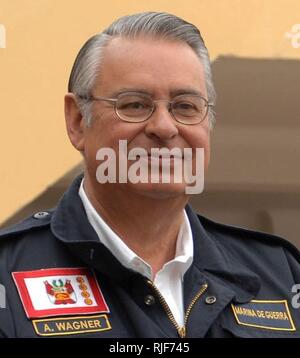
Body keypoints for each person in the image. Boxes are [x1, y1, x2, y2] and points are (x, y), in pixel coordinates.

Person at [0, 11, 299, 339]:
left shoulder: (280, 275)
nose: (164, 127)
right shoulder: (8, 273)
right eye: (134, 105)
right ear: (77, 121)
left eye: (185, 106)